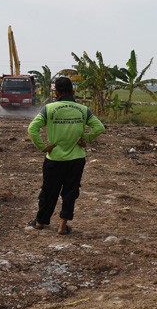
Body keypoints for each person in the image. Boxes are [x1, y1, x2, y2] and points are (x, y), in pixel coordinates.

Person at [26, 77, 105, 234]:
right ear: (73, 91)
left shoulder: (49, 109)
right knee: (70, 192)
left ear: (57, 92)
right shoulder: (83, 109)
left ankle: (41, 222)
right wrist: (86, 139)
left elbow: (32, 129)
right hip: (76, 159)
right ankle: (62, 225)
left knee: (49, 191)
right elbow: (99, 127)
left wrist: (43, 147)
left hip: (54, 159)